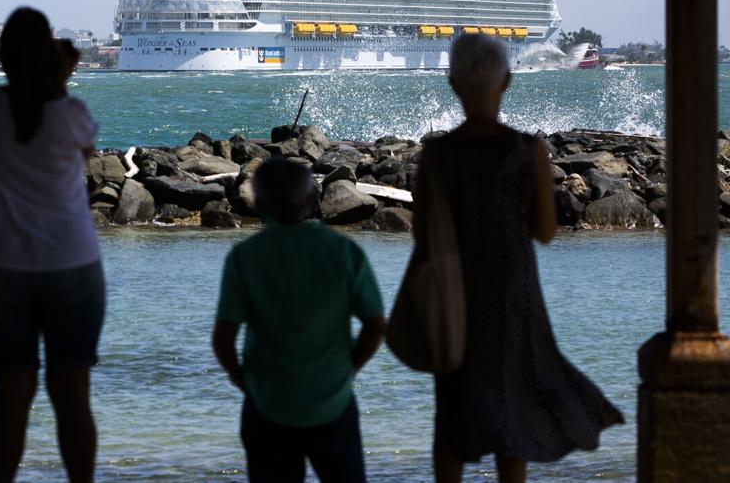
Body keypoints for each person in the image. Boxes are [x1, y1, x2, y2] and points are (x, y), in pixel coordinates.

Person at [420, 34, 623, 483]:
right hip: (513, 294)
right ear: (507, 81)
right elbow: (546, 232)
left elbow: (424, 235)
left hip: (456, 294)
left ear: (452, 83)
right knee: (515, 415)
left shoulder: (437, 153)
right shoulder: (528, 151)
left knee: (452, 412)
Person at [0, 8, 105, 483]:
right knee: (73, 397)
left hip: (2, 265)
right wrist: (59, 79)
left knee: (10, 397)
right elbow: (84, 151)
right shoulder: (72, 112)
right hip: (73, 263)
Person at [212, 158, 387, 483]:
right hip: (333, 402)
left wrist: (243, 381)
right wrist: (351, 368)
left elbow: (223, 339)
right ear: (311, 200)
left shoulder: (245, 256)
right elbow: (376, 325)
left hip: (267, 405)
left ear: (259, 203)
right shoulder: (343, 251)